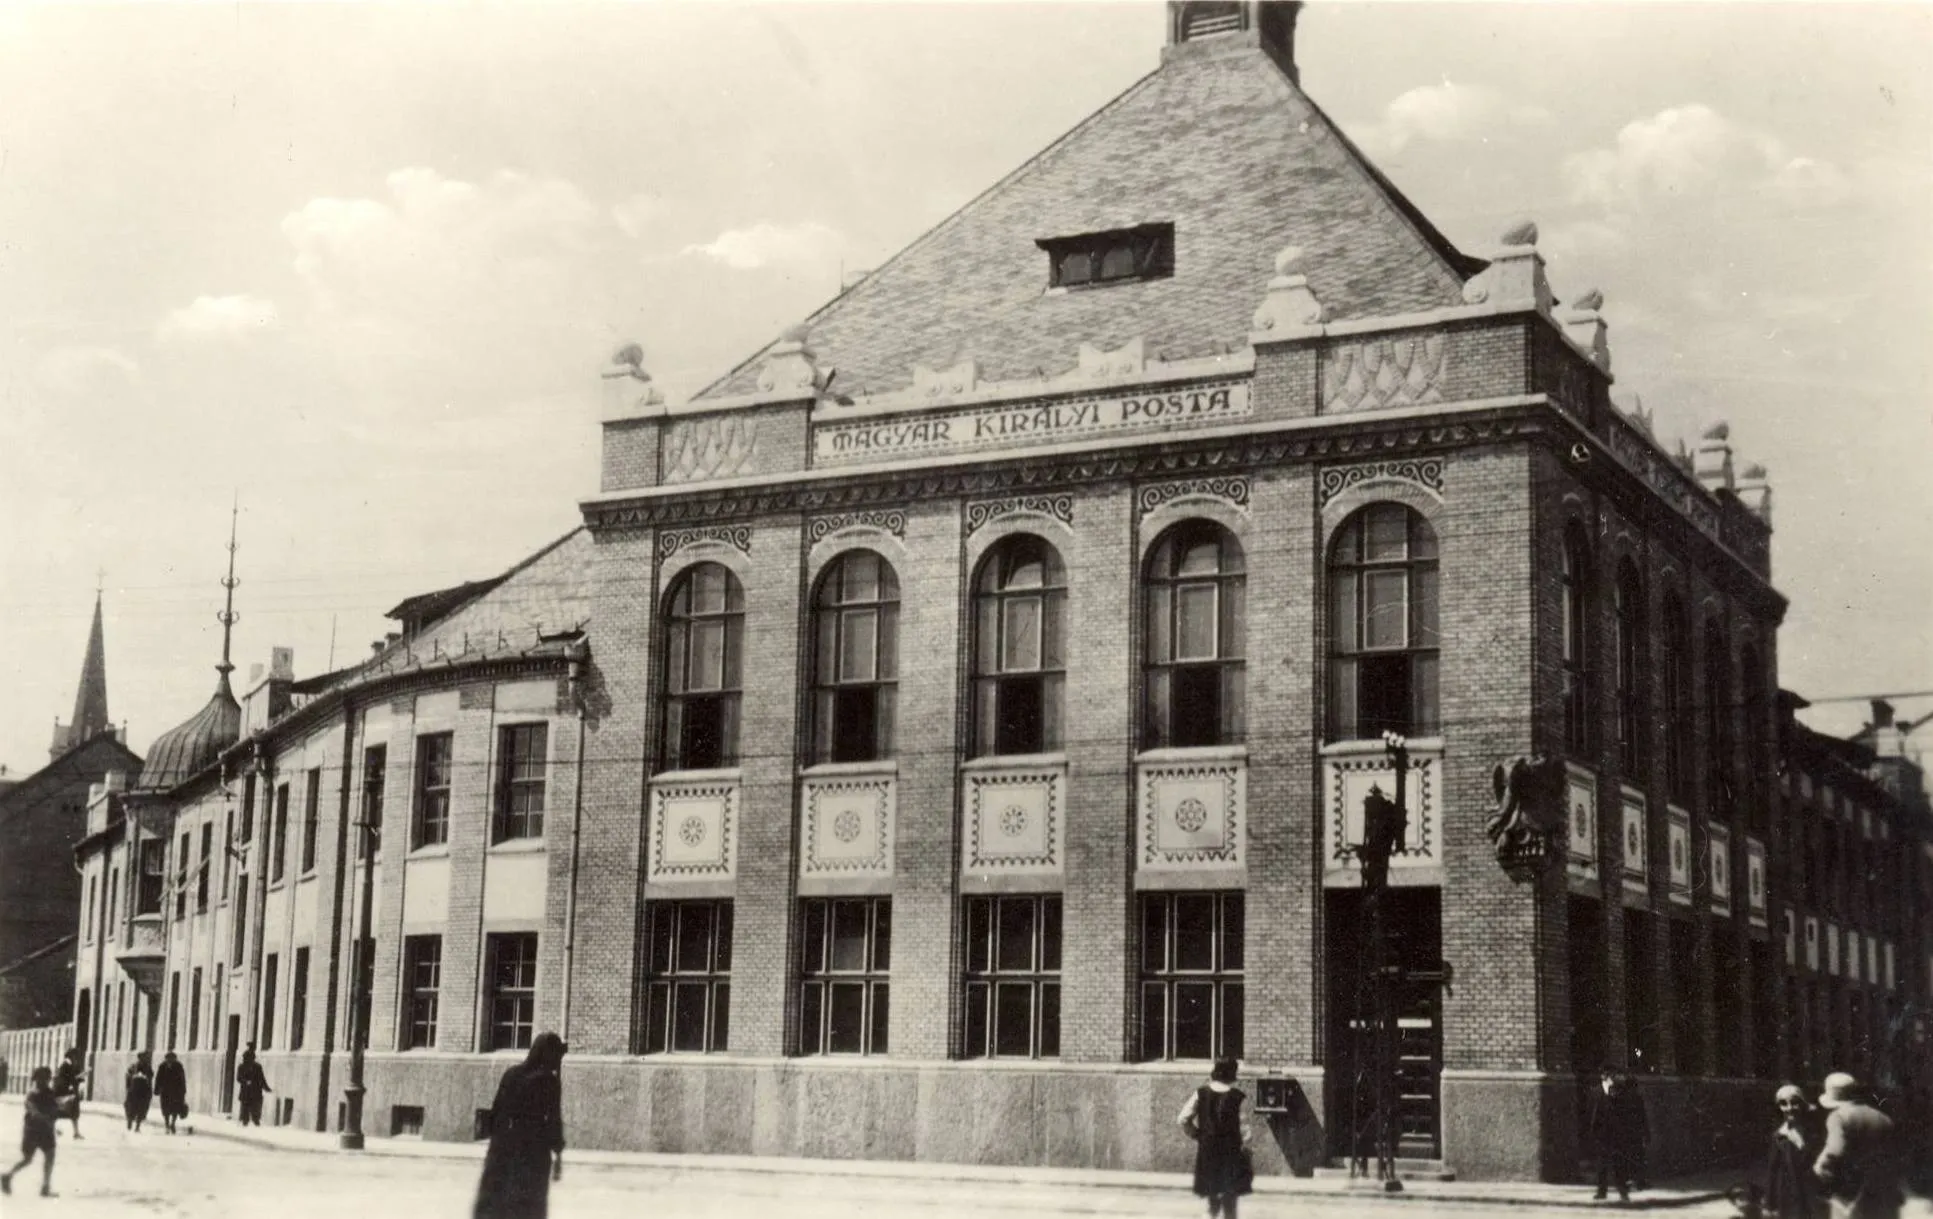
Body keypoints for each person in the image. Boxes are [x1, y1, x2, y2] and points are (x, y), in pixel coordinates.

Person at [475, 1032, 567, 1219]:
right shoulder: (549, 1081)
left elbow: (495, 1114)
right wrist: (558, 1153)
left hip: (503, 1152)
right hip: (534, 1155)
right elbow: (553, 1121)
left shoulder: (511, 1074)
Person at [1813, 1072, 1903, 1219]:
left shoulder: (1839, 1117)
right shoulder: (1883, 1118)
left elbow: (1835, 1151)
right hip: (1883, 1192)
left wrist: (1820, 1168)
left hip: (1850, 1196)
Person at [1178, 1058, 1253, 1219]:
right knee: (1230, 1201)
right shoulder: (1237, 1097)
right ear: (1232, 1073)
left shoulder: (1201, 1093)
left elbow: (1183, 1119)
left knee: (1212, 1198)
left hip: (1208, 1150)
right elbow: (1245, 1128)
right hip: (1231, 1152)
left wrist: (1197, 1134)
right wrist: (1246, 1148)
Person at [1760, 1084, 1826, 1219]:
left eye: (1794, 1103)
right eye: (1783, 1104)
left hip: (1814, 1196)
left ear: (1802, 1104)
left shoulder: (1815, 1131)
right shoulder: (1779, 1136)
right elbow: (1772, 1170)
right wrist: (1769, 1204)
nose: (1789, 1109)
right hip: (1789, 1198)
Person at [1586, 1067, 1647, 1202]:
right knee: (1602, 1164)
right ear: (1605, 1077)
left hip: (1616, 1134)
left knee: (1619, 1163)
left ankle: (1622, 1191)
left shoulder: (1619, 1091)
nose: (1614, 1079)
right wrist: (1592, 1132)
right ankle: (1602, 1191)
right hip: (1601, 1134)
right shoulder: (1595, 1092)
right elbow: (1590, 1114)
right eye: (1611, 1076)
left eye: (1614, 1076)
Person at [1, 1066, 60, 1197]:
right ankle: (7, 1175)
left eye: (47, 1078)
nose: (45, 1080)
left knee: (49, 1156)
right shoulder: (32, 1094)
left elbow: (54, 1109)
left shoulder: (49, 1093)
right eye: (42, 1078)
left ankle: (45, 1186)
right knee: (27, 1159)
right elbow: (33, 1112)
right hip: (32, 1131)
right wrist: (48, 1119)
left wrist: (56, 1116)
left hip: (45, 1131)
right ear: (36, 1079)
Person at [52, 1047, 84, 1139]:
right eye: (75, 1056)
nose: (76, 1058)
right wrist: (75, 1079)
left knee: (74, 1113)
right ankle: (53, 1130)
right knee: (57, 1113)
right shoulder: (64, 1065)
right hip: (62, 1093)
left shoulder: (74, 1066)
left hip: (70, 1094)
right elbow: (62, 1079)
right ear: (70, 1056)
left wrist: (80, 1078)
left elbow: (77, 1078)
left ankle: (76, 1132)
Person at [155, 1050, 188, 1135]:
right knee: (165, 1109)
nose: (170, 1060)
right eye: (168, 1058)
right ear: (166, 1059)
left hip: (176, 1092)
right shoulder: (162, 1066)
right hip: (165, 1091)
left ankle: (172, 1123)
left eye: (172, 1058)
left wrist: (183, 1090)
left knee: (175, 1109)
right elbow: (158, 1078)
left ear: (175, 1059)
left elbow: (182, 1079)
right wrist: (157, 1089)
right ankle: (166, 1124)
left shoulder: (179, 1066)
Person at [236, 1046, 271, 1127]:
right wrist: (245, 1081)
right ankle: (245, 1122)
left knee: (255, 1110)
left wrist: (267, 1088)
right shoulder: (241, 1067)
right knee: (245, 1109)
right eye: (245, 1058)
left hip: (255, 1092)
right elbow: (238, 1078)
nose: (245, 1059)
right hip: (246, 1092)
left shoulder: (257, 1067)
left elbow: (261, 1079)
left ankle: (255, 1122)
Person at [124, 1051, 155, 1133]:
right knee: (131, 1108)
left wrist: (149, 1090)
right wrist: (128, 1087)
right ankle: (130, 1121)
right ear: (139, 1058)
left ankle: (137, 1126)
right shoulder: (133, 1067)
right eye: (142, 1057)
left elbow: (150, 1077)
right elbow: (127, 1076)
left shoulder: (148, 1067)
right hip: (134, 1091)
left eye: (145, 1058)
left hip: (143, 1091)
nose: (143, 1059)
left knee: (142, 1109)